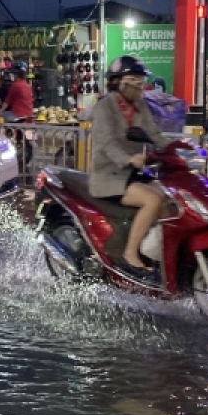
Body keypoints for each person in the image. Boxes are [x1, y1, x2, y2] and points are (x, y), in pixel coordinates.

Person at [85, 56, 168, 281]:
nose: (139, 86)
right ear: (118, 82)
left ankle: (154, 250)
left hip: (132, 173)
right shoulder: (105, 107)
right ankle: (130, 254)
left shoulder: (139, 105)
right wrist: (129, 159)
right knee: (152, 200)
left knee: (170, 196)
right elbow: (105, 142)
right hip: (109, 175)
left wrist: (178, 149)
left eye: (141, 81)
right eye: (134, 80)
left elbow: (153, 132)